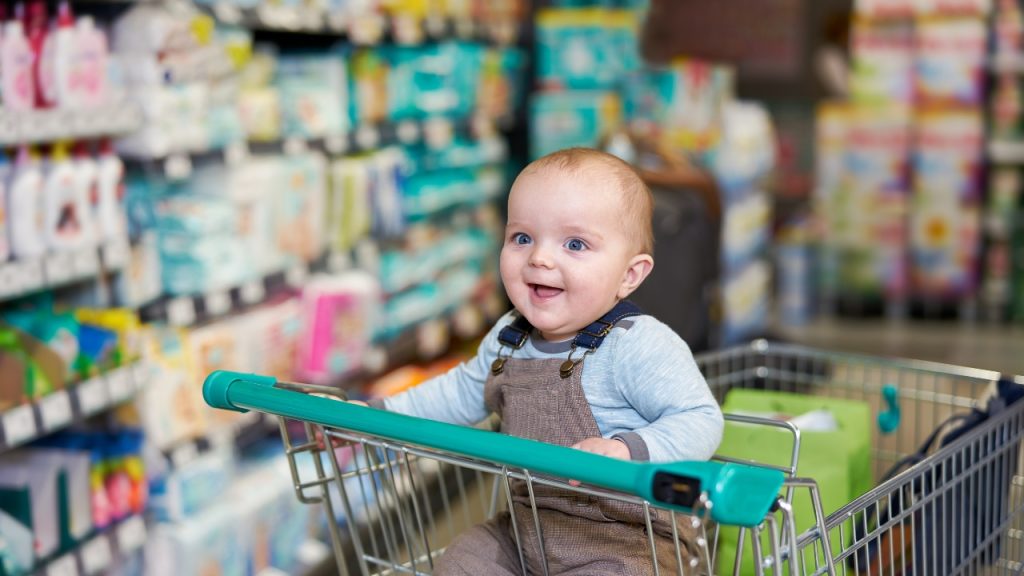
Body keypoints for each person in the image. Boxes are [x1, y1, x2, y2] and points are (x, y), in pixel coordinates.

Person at [367, 147, 724, 575]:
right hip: (528, 529)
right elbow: (459, 392)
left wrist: (627, 450)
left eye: (575, 244)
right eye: (522, 237)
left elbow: (702, 418)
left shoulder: (636, 345)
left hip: (629, 543)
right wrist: (376, 416)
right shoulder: (508, 338)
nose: (539, 258)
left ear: (629, 275)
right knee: (465, 558)